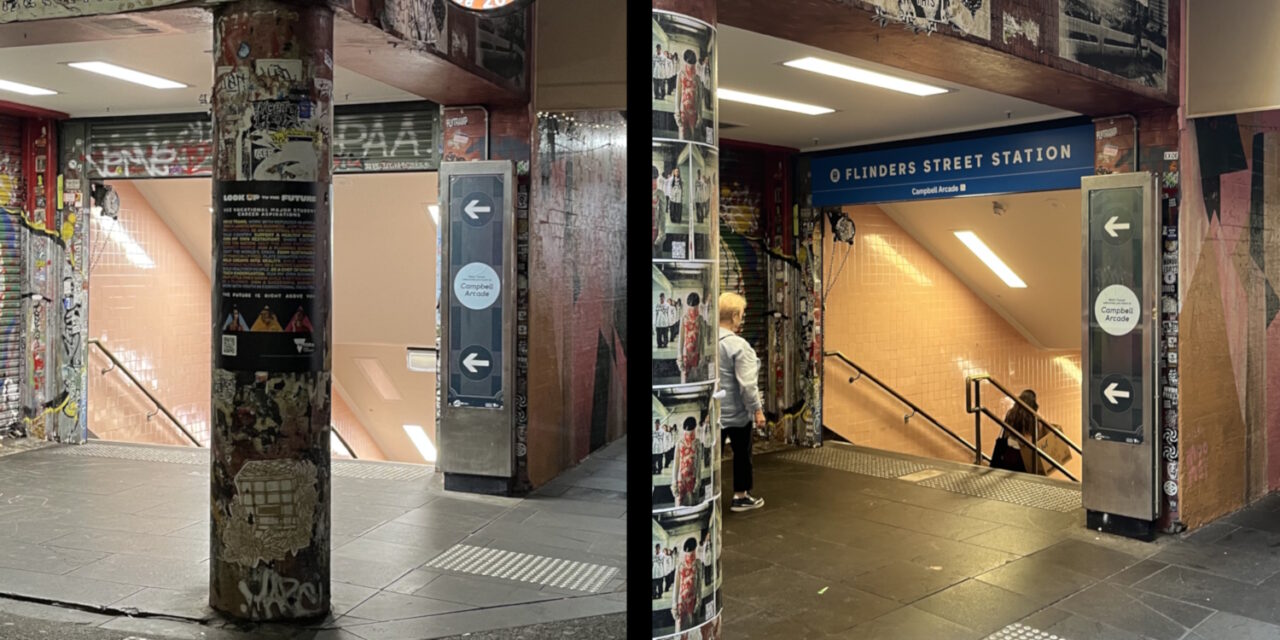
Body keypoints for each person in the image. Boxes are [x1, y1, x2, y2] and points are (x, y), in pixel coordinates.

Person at [718, 292, 765, 512]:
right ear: (736, 316)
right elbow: (747, 384)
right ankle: (741, 496)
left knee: (711, 455)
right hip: (736, 413)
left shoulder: (707, 341)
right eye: (742, 314)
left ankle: (707, 495)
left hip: (714, 413)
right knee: (742, 454)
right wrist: (757, 410)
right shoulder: (738, 346)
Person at [992, 389, 1039, 473]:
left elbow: (1005, 434)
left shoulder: (1011, 413)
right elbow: (1028, 439)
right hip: (1022, 456)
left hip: (1009, 453)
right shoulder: (1031, 417)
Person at [672, 537, 703, 632]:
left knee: (693, 627)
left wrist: (699, 600)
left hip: (693, 600)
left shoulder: (697, 564)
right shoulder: (680, 566)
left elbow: (699, 584)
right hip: (682, 602)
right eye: (688, 551)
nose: (690, 553)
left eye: (692, 550)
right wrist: (674, 606)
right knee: (681, 627)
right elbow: (676, 587)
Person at [674, 417, 700, 506]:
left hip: (693, 478)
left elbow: (698, 463)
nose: (689, 431)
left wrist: (698, 480)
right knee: (680, 505)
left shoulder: (697, 443)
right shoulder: (679, 443)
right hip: (681, 479)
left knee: (693, 505)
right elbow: (676, 463)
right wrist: (674, 482)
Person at [680, 292, 702, 383]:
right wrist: (679, 355)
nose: (693, 308)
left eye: (695, 306)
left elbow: (701, 339)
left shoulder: (700, 319)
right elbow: (681, 338)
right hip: (685, 353)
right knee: (684, 379)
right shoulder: (684, 318)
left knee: (696, 378)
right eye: (691, 306)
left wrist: (702, 354)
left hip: (696, 352)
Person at [677, 49, 699, 140]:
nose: (691, 66)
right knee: (682, 136)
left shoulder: (697, 78)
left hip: (693, 111)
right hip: (683, 110)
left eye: (693, 64)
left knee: (692, 138)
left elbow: (698, 97)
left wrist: (700, 115)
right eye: (690, 63)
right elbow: (678, 94)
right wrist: (676, 112)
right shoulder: (681, 74)